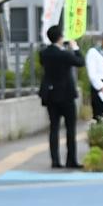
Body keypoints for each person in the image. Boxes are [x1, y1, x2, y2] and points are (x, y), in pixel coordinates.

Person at [38, 22, 86, 170]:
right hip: (66, 95)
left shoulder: (44, 53)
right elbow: (80, 62)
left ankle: (55, 161)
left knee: (54, 128)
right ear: (60, 37)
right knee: (70, 129)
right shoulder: (65, 54)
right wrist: (75, 48)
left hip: (50, 95)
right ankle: (71, 160)